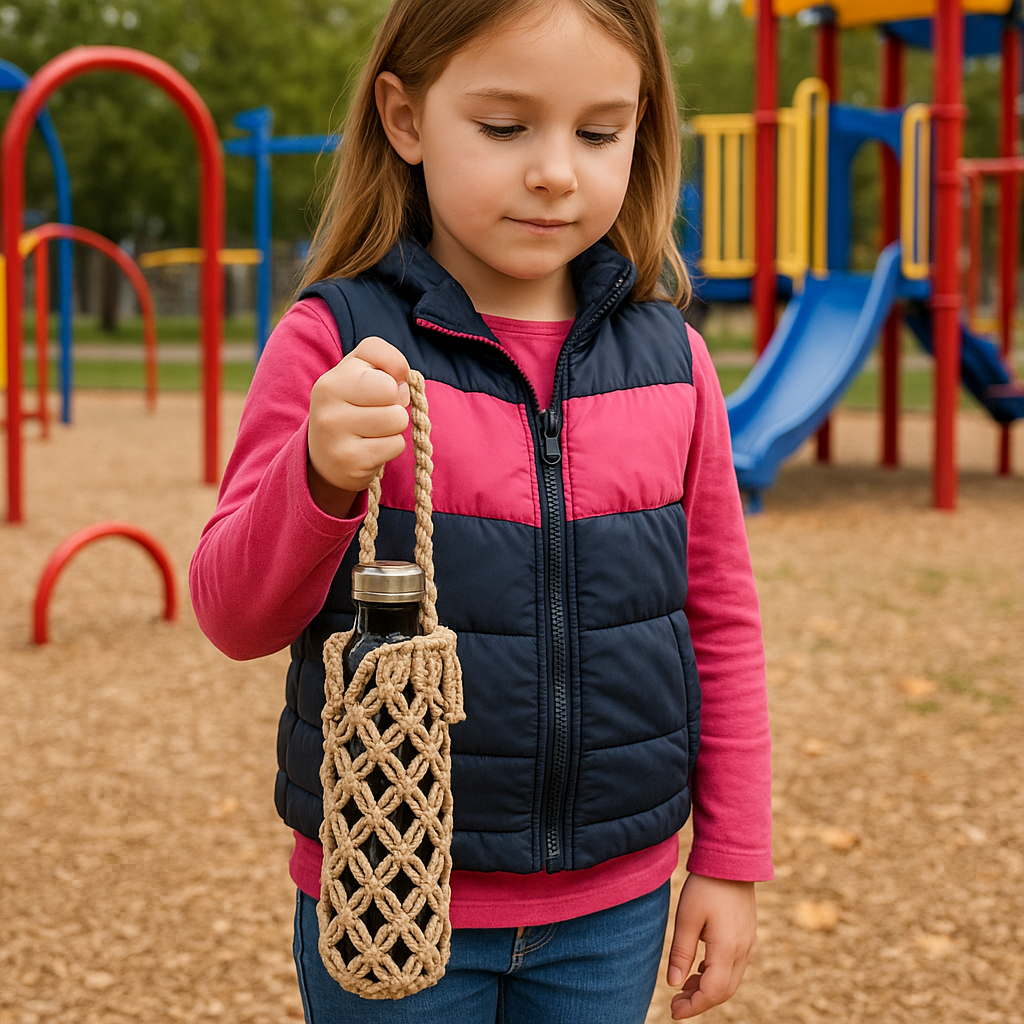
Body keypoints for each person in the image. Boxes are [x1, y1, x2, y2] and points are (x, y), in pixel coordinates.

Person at [189, 1, 772, 1021]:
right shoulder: (336, 341)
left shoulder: (671, 361)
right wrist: (317, 478)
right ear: (405, 120)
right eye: (505, 128)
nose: (555, 169)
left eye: (598, 132)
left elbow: (718, 619)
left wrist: (727, 856)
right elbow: (234, 615)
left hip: (615, 904)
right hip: (391, 886)